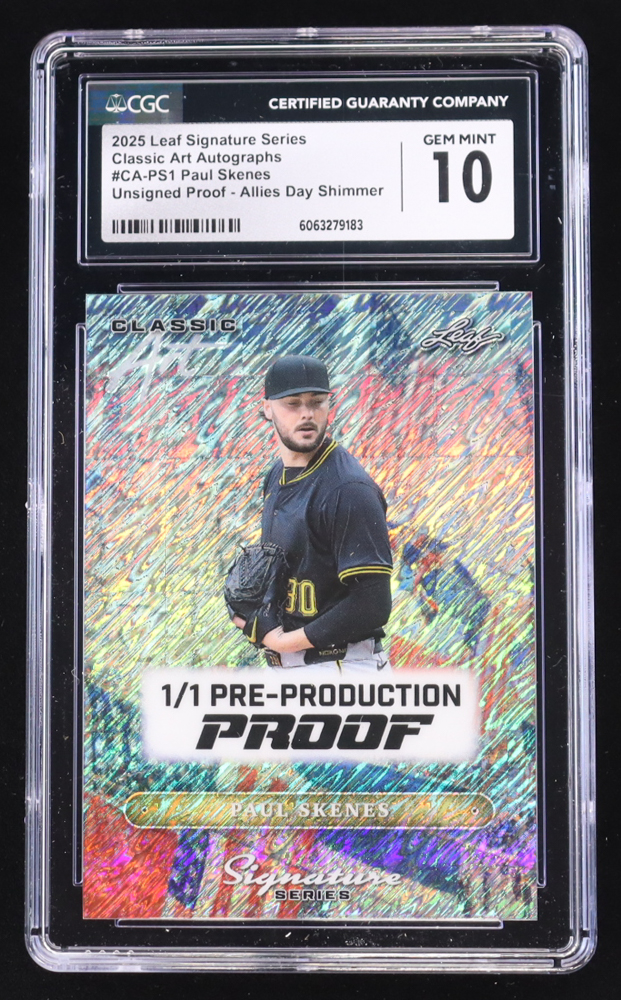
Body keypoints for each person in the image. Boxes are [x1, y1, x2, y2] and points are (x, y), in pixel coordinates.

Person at [232, 354, 393, 671]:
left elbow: (372, 604)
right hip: (292, 667)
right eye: (292, 404)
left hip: (341, 667)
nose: (306, 413)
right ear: (268, 409)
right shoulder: (276, 476)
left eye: (316, 402)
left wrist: (280, 642)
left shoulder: (348, 489)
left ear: (329, 406)